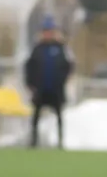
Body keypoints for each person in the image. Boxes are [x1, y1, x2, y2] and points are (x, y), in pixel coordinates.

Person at [23, 16, 74, 148]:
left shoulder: (61, 48)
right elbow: (29, 67)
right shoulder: (37, 49)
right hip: (40, 89)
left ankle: (60, 142)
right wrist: (30, 84)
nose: (48, 34)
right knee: (36, 116)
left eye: (50, 31)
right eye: (46, 31)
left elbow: (68, 66)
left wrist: (62, 80)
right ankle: (33, 142)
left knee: (59, 116)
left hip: (56, 89)